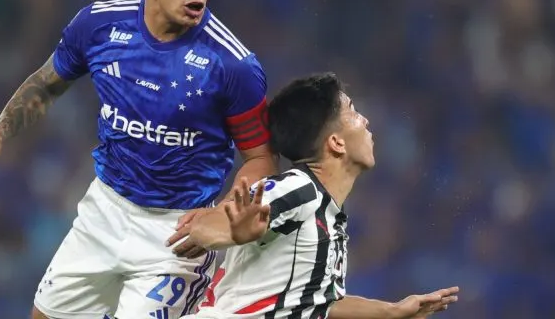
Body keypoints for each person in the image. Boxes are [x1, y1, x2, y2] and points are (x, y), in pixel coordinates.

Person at [0, 0, 278, 319]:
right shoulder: (98, 26)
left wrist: (220, 215)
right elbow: (47, 83)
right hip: (103, 213)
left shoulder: (233, 66)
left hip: (175, 237)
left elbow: (262, 157)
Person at [168, 73, 461, 319]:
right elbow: (207, 226)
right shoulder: (298, 189)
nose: (366, 120)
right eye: (353, 111)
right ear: (336, 143)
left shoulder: (329, 217)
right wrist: (234, 232)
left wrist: (392, 311)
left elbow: (322, 303)